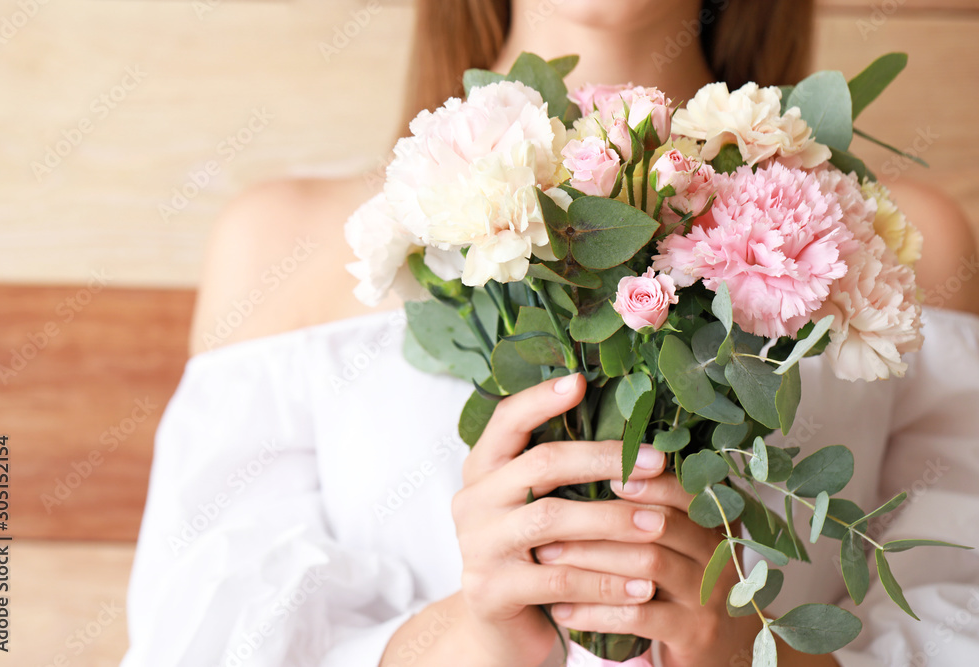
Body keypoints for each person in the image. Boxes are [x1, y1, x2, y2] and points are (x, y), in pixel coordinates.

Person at [121, 1, 979, 666]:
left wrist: (758, 649)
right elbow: (190, 637)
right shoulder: (285, 245)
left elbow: (959, 607)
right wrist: (469, 637)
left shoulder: (891, 244)